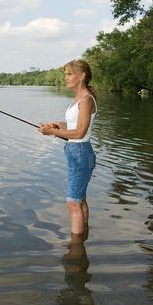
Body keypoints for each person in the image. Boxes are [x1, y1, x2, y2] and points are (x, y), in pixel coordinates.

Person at [39, 59, 97, 236]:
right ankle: (84, 235)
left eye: (69, 74)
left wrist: (52, 133)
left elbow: (79, 133)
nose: (66, 77)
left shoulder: (86, 100)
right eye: (66, 73)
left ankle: (76, 248)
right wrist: (57, 125)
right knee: (79, 199)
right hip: (76, 153)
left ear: (82, 76)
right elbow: (74, 125)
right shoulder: (79, 98)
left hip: (80, 152)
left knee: (73, 203)